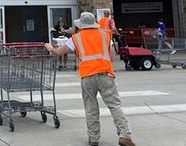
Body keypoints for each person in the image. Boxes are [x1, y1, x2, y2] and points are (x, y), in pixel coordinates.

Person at [45, 12, 136, 146]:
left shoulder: (76, 38)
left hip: (87, 76)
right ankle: (125, 135)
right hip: (105, 75)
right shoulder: (106, 35)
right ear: (94, 24)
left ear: (81, 25)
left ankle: (94, 139)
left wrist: (50, 47)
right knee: (115, 106)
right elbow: (109, 55)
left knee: (91, 108)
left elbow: (59, 52)